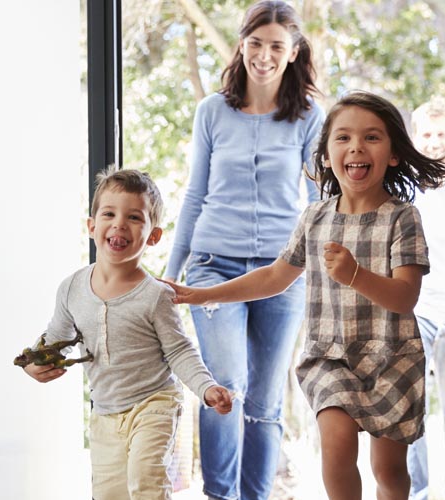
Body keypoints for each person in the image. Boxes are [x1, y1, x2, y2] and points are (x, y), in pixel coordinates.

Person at [168, 91, 445, 500]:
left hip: (393, 359)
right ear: (325, 155)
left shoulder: (403, 217)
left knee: (389, 471)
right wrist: (200, 294)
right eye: (343, 138)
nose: (356, 146)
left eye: (371, 137)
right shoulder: (315, 218)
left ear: (393, 154)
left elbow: (405, 297)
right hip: (331, 357)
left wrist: (355, 273)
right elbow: (273, 277)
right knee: (337, 448)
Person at [162, 1, 324, 498]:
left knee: (266, 398)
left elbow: (319, 199)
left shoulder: (309, 117)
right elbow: (194, 194)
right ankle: (220, 495)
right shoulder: (213, 111)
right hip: (213, 266)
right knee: (224, 385)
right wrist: (173, 272)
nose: (264, 55)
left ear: (293, 52)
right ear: (241, 45)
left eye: (277, 46)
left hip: (283, 271)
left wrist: (318, 270)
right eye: (256, 43)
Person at [22, 167, 234, 500]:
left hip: (154, 403)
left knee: (145, 481)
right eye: (109, 213)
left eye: (134, 217)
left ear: (153, 236)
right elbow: (56, 337)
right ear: (92, 226)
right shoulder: (72, 289)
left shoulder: (156, 296)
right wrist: (34, 362)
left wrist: (205, 387)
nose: (119, 224)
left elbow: (179, 351)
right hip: (105, 412)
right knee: (110, 494)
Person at [405, 96, 445, 500]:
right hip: (417, 310)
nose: (434, 141)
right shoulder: (406, 188)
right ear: (415, 137)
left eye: (441, 133)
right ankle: (419, 492)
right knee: (412, 410)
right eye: (426, 134)